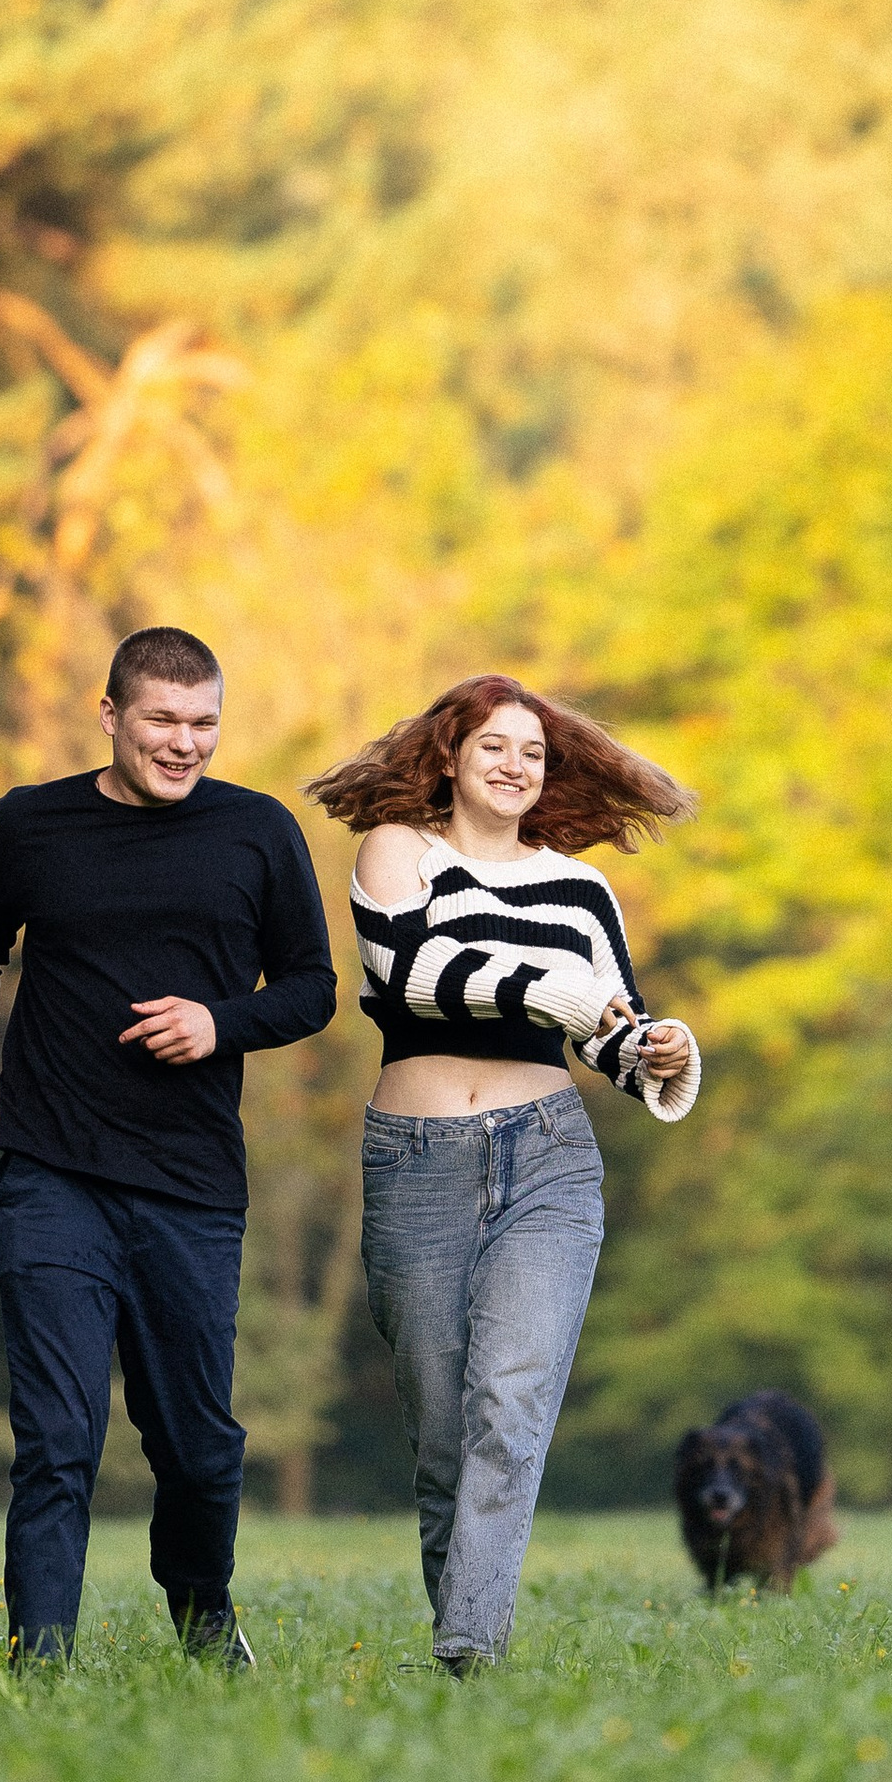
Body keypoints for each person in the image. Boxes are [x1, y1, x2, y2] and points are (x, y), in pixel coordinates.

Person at [0, 627, 336, 1665]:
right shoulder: (31, 823)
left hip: (190, 1185)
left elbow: (311, 986)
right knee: (57, 1439)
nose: (184, 743)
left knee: (198, 1450)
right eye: (161, 719)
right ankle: (40, 1659)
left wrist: (219, 1022)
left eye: (204, 722)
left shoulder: (257, 831)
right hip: (51, 1170)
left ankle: (203, 1614)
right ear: (109, 714)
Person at [307, 674, 700, 1674]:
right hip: (416, 1165)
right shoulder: (401, 850)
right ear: (448, 754)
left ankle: (468, 1645)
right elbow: (408, 973)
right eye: (495, 745)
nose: (516, 764)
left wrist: (657, 1052)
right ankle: (464, 1628)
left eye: (532, 750)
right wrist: (554, 990)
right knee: (442, 1430)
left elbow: (613, 1029)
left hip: (547, 1161)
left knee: (508, 1404)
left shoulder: (578, 888)